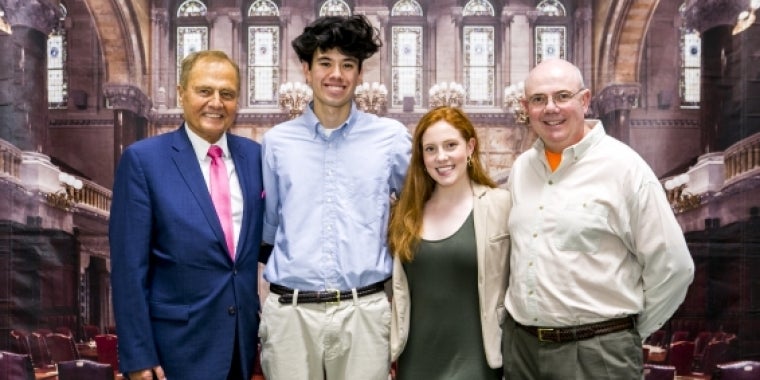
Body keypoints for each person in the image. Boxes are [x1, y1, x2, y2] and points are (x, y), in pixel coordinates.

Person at [502, 58, 695, 379]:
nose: (551, 108)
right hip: (523, 351)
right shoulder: (522, 168)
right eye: (538, 99)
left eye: (562, 96)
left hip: (597, 354)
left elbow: (675, 268)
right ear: (526, 107)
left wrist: (622, 332)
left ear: (585, 100)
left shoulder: (625, 168)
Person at [259, 15, 412, 380]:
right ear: (306, 70)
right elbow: (271, 225)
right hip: (292, 314)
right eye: (325, 63)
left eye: (348, 65)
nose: (336, 74)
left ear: (360, 74)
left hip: (364, 310)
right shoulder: (277, 143)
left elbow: (420, 206)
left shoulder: (390, 138)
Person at [109, 50, 264, 380]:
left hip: (240, 346)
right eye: (204, 91)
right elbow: (128, 268)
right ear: (182, 93)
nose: (216, 103)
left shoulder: (255, 158)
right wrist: (138, 356)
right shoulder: (144, 161)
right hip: (175, 351)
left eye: (227, 94)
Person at [388, 106, 511, 380]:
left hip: (477, 362)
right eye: (430, 149)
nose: (441, 157)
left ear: (470, 147)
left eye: (450, 145)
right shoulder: (406, 214)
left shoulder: (500, 205)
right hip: (415, 362)